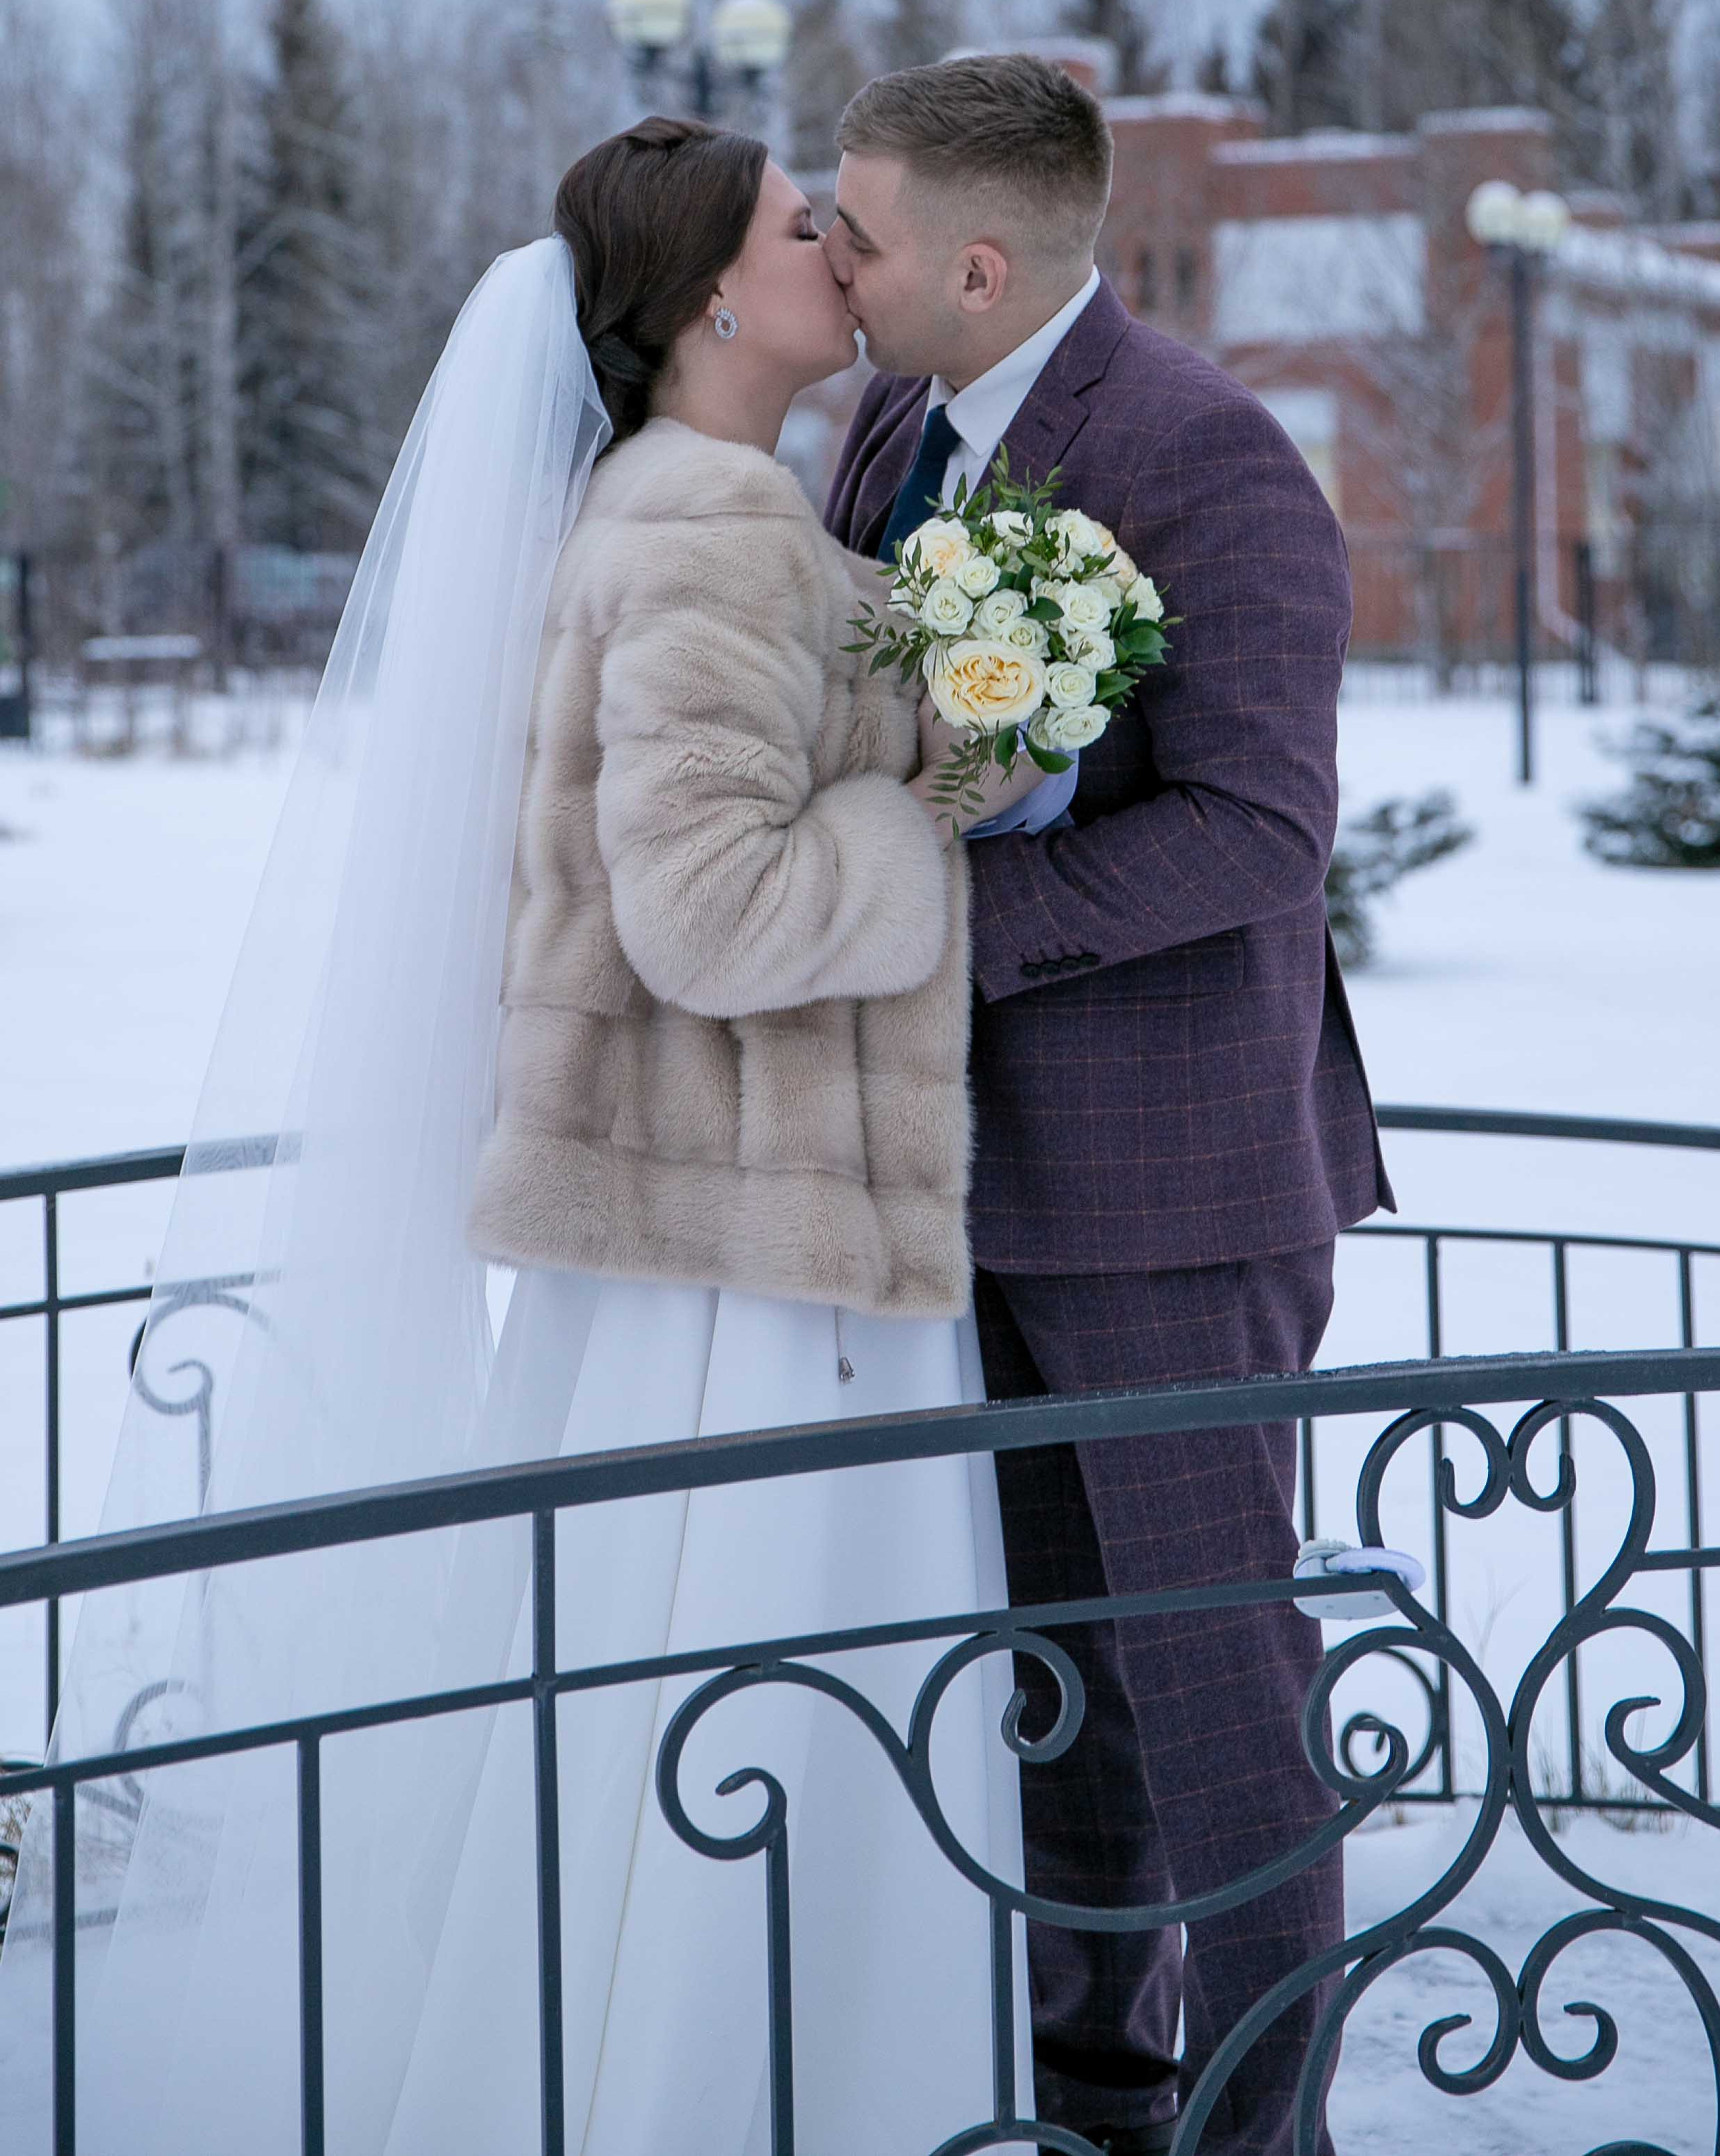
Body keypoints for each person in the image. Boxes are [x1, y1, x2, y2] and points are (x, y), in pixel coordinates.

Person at [0, 120, 1035, 2153]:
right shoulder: (715, 531)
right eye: (792, 224)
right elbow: (707, 908)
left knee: (673, 1723)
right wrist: (934, 820)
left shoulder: (687, 509)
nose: (836, 247)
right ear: (718, 295)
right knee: (761, 1717)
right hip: (755, 1269)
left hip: (696, 1242)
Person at [823, 51, 1394, 2156]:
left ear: (980, 263)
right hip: (951, 1184)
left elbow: (1260, 828)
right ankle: (1100, 2103)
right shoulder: (894, 423)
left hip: (1170, 1195)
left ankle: (1266, 2133)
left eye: (856, 230)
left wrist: (936, 925)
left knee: (1214, 1708)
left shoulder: (1207, 457)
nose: (828, 258)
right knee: (1053, 1696)